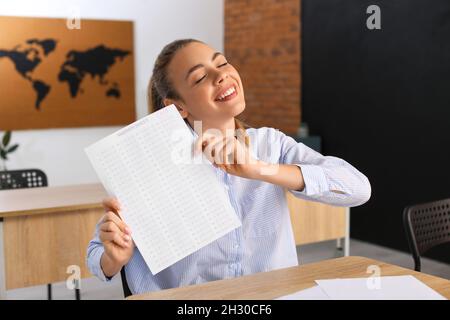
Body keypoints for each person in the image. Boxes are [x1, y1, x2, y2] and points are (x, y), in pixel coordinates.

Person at [87, 39, 371, 295]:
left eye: (222, 63)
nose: (221, 74)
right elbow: (98, 253)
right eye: (200, 77)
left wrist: (260, 169)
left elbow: (358, 189)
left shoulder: (270, 145)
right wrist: (114, 258)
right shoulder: (152, 163)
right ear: (177, 107)